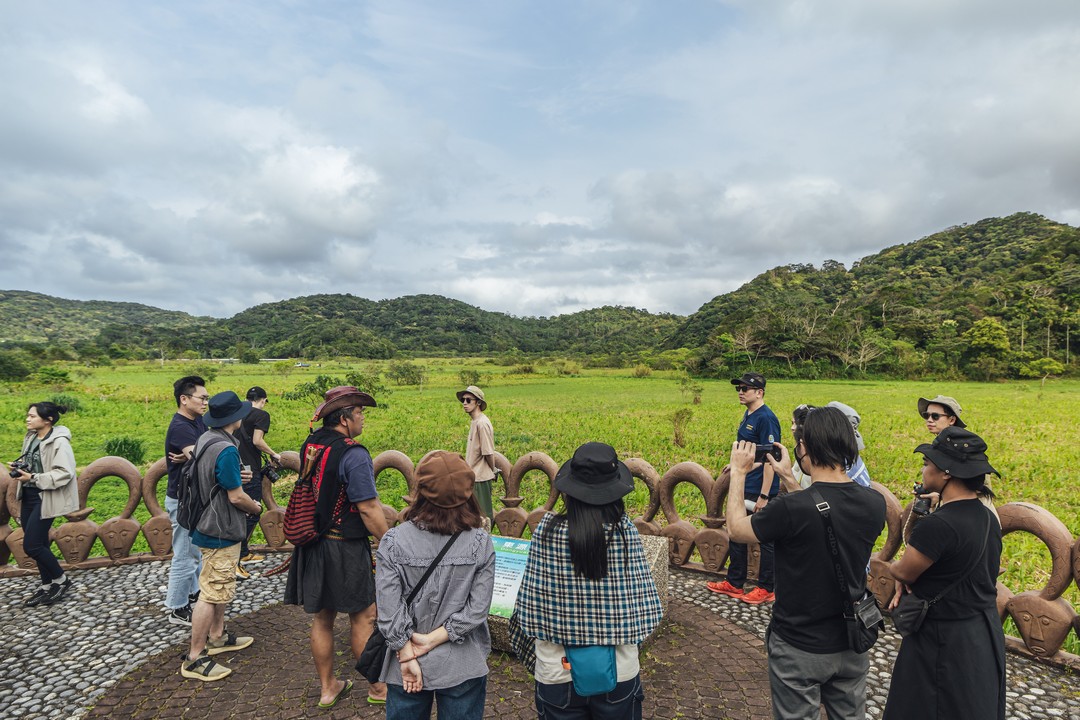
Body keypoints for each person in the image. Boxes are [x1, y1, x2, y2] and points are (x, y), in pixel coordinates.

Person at [727, 406, 885, 720]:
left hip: (800, 646)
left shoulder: (790, 508)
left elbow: (736, 529)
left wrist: (738, 473)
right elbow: (822, 512)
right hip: (852, 643)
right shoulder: (874, 502)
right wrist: (787, 475)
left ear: (806, 448)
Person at [510, 442, 663, 720]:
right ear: (615, 492)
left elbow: (528, 608)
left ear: (569, 491)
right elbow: (645, 608)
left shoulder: (546, 530)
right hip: (619, 669)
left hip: (556, 669)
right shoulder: (625, 532)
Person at [884, 427, 1005, 720]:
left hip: (942, 637)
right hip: (982, 631)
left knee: (928, 706)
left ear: (947, 473)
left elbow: (905, 570)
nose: (924, 469)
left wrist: (891, 569)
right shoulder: (986, 515)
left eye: (927, 463)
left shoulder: (938, 525)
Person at [284, 385, 390, 707]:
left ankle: (328, 688)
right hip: (344, 545)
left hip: (314, 542)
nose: (362, 419)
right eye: (359, 413)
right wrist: (389, 542)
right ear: (344, 419)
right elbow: (369, 507)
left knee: (323, 619)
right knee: (364, 617)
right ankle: (378, 690)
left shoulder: (311, 443)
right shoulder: (353, 453)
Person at [376, 451, 495, 719]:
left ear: (420, 491)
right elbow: (477, 611)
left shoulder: (393, 541)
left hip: (405, 661)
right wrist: (431, 641)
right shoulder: (480, 542)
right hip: (462, 661)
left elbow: (388, 610)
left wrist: (407, 654)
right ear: (468, 493)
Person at [180, 391, 262, 681]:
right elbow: (237, 497)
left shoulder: (207, 438)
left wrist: (239, 477)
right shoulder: (226, 449)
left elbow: (219, 478)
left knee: (218, 585)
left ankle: (217, 636)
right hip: (220, 528)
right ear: (236, 418)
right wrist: (256, 506)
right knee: (211, 592)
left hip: (205, 522)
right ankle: (194, 656)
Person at [707, 371, 781, 604]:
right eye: (738, 388)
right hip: (744, 484)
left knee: (765, 538)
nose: (740, 392)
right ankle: (735, 582)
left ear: (759, 392)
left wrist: (764, 495)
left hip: (759, 487)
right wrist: (736, 465)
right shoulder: (748, 414)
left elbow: (771, 457)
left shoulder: (766, 418)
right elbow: (752, 453)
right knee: (736, 532)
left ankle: (767, 588)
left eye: (745, 389)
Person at [7, 401, 79, 607]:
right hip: (29, 496)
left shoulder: (59, 442)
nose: (27, 419)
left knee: (32, 545)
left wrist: (33, 477)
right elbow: (37, 463)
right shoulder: (31, 438)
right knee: (39, 542)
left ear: (48, 420)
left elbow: (65, 472)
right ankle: (47, 585)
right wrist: (21, 467)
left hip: (45, 497)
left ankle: (61, 580)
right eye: (28, 415)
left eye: (32, 416)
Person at [163, 375, 209, 625]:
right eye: (202, 398)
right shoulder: (181, 426)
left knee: (194, 550)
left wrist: (192, 455)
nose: (205, 403)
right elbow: (201, 457)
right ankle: (177, 608)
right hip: (182, 500)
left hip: (191, 497)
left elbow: (201, 450)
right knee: (185, 554)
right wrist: (192, 456)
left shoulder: (197, 421)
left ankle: (193, 593)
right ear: (184, 399)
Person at [235, 385, 282, 575]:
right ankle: (235, 558)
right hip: (249, 471)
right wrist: (274, 454)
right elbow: (257, 441)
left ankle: (244, 552)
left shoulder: (236, 412)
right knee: (252, 511)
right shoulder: (261, 415)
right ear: (262, 400)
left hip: (233, 466)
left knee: (239, 510)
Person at [786, 402, 871, 491]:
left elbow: (813, 501)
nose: (793, 428)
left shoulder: (833, 465)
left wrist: (786, 477)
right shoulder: (840, 456)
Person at [457, 385, 496, 522]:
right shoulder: (475, 422)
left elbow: (488, 452)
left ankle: (484, 542)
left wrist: (494, 469)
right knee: (474, 515)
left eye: (469, 400)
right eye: (463, 400)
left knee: (483, 516)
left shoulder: (482, 423)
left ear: (478, 402)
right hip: (473, 476)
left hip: (480, 477)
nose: (464, 404)